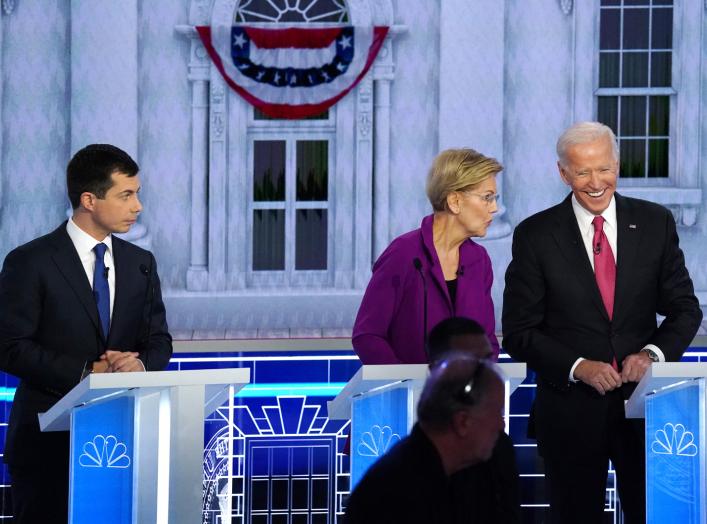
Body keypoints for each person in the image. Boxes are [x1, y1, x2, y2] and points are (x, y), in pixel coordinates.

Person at [502, 122, 702, 524]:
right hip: (570, 415)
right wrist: (578, 366)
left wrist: (651, 354)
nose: (596, 183)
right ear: (563, 173)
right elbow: (519, 332)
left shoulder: (654, 223)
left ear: (617, 164)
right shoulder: (535, 235)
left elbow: (685, 309)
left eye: (604, 169)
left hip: (647, 414)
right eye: (582, 172)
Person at [0, 144, 173, 523]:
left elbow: (159, 340)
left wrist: (139, 365)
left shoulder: (140, 263)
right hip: (46, 444)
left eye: (137, 194)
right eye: (126, 195)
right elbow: (10, 347)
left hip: (124, 439)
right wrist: (85, 374)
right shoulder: (30, 262)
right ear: (89, 200)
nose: (138, 206)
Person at [353, 148, 502, 365]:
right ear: (454, 201)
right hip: (408, 396)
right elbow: (367, 336)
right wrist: (405, 383)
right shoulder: (403, 254)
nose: (495, 208)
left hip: (464, 396)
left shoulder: (479, 260)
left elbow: (487, 341)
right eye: (487, 198)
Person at [344, 356, 506, 524]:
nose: (501, 425)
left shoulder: (436, 471)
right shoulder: (400, 493)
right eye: (496, 412)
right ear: (462, 422)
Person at [427, 317, 521, 524]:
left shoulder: (500, 446)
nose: (483, 374)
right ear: (436, 369)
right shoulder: (398, 473)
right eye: (469, 363)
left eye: (486, 362)